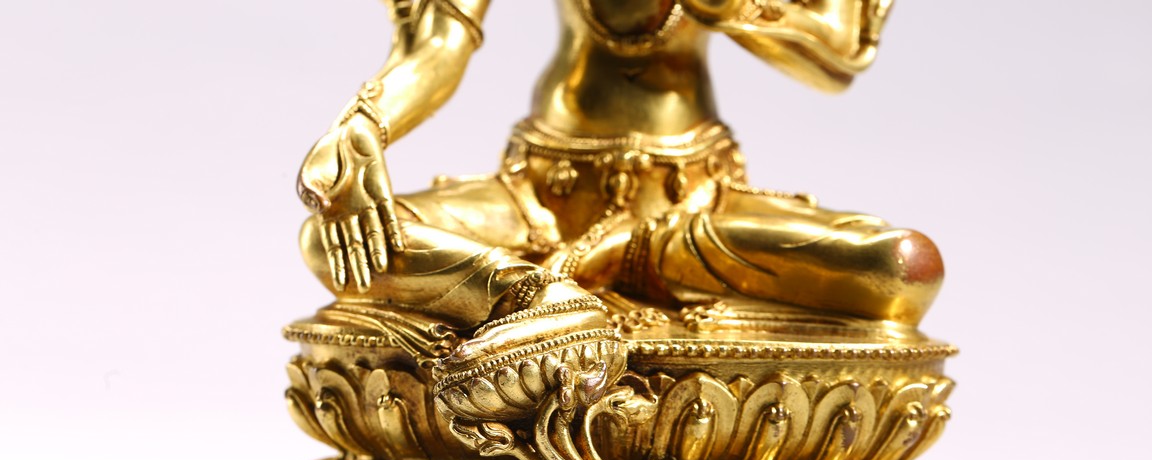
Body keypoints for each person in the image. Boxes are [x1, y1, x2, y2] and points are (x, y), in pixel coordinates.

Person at [296, 0, 942, 363]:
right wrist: (362, 128)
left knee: (900, 267)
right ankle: (541, 296)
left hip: (690, 205)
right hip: (538, 195)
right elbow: (435, 47)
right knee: (332, 240)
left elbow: (835, 56)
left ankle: (612, 269)